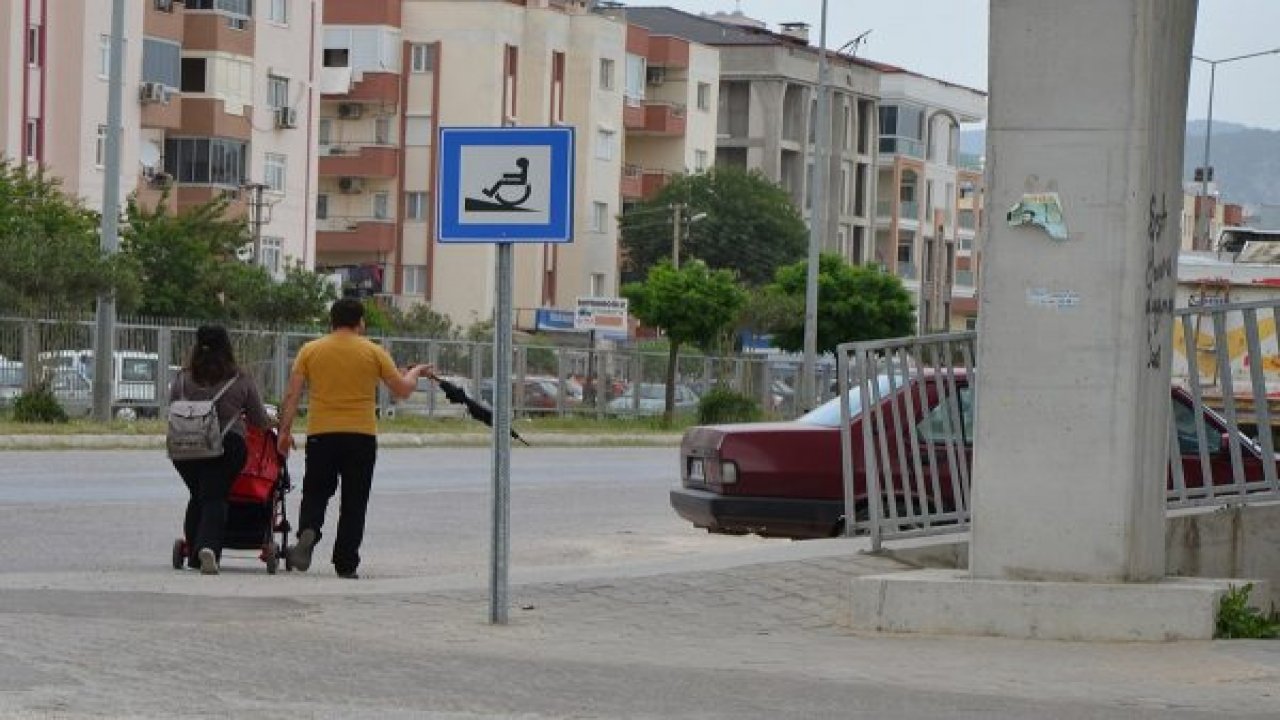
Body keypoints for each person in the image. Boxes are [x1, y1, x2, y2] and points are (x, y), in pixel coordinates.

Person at [276, 298, 431, 579]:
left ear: (331, 321)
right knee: (354, 501)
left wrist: (284, 433)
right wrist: (415, 372)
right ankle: (346, 563)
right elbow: (402, 390)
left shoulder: (310, 350)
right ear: (360, 322)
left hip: (322, 434)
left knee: (316, 491)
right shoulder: (374, 351)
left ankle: (309, 530)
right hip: (361, 436)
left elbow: (292, 394)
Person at [171, 324, 273, 575]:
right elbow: (258, 419)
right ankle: (207, 548)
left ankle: (194, 552)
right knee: (215, 497)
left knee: (198, 495)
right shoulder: (239, 378)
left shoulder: (182, 378)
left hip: (184, 446)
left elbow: (173, 406)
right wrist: (274, 423)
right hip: (226, 446)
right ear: (228, 347)